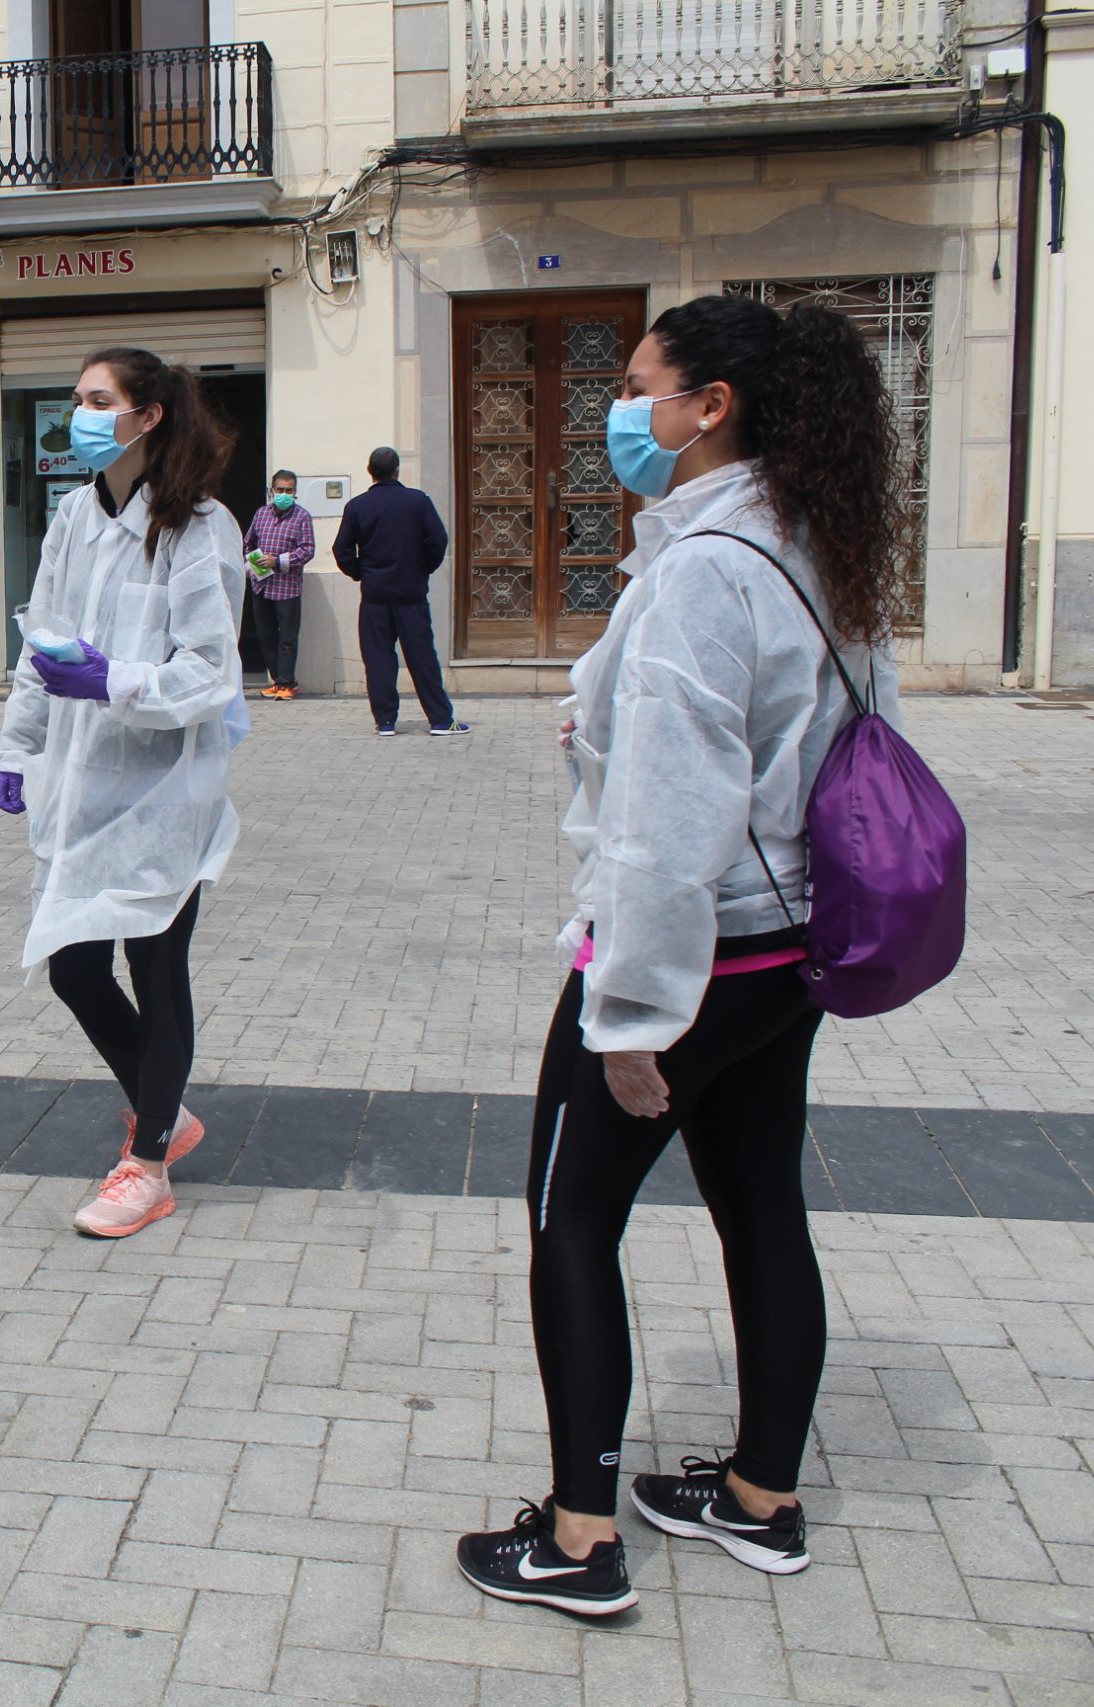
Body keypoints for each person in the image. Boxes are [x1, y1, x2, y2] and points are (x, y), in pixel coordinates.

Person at [454, 296, 906, 1616]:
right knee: (762, 1201)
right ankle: (762, 1495)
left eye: (640, 385)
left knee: (569, 1217)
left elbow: (669, 815)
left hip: (694, 954)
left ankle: (580, 1537)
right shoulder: (819, 536)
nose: (621, 410)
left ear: (711, 407)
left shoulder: (708, 569)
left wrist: (631, 1007)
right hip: (789, 947)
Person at [0, 347, 245, 1239]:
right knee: (73, 964)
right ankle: (164, 1104)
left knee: (156, 965)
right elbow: (41, 637)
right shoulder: (70, 515)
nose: (81, 413)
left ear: (150, 416)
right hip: (79, 780)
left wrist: (118, 682)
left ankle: (148, 1165)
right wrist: (16, 746)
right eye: (76, 398)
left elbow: (210, 672)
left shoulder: (199, 528)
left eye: (99, 399)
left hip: (166, 788)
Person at [333, 447, 465, 736]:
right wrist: (423, 568)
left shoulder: (357, 506)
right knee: (422, 657)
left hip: (375, 594)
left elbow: (341, 550)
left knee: (378, 657)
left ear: (370, 470)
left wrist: (360, 572)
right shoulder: (417, 501)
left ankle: (385, 721)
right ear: (397, 470)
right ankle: (441, 720)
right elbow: (438, 540)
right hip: (410, 592)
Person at [244, 468, 314, 699]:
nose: (284, 494)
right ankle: (277, 679)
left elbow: (307, 550)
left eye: (289, 490)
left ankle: (287, 684)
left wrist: (278, 561)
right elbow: (248, 543)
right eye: (280, 489)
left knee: (287, 638)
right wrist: (256, 563)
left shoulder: (302, 517)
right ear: (271, 491)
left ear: (295, 493)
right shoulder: (261, 514)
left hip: (287, 588)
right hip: (261, 585)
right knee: (266, 636)